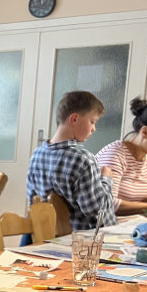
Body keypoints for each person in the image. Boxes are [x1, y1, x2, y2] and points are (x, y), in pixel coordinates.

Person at [26, 90, 116, 232]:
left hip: (44, 237)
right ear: (74, 119)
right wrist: (106, 179)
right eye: (92, 122)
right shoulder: (84, 160)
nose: (94, 129)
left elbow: (33, 203)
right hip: (77, 240)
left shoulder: (36, 155)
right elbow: (100, 216)